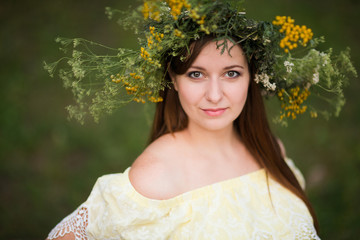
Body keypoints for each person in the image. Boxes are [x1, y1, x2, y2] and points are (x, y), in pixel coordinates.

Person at [45, 0, 355, 239]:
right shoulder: (155, 177)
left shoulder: (272, 150)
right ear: (174, 80)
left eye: (231, 73)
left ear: (251, 78)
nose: (215, 95)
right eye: (196, 74)